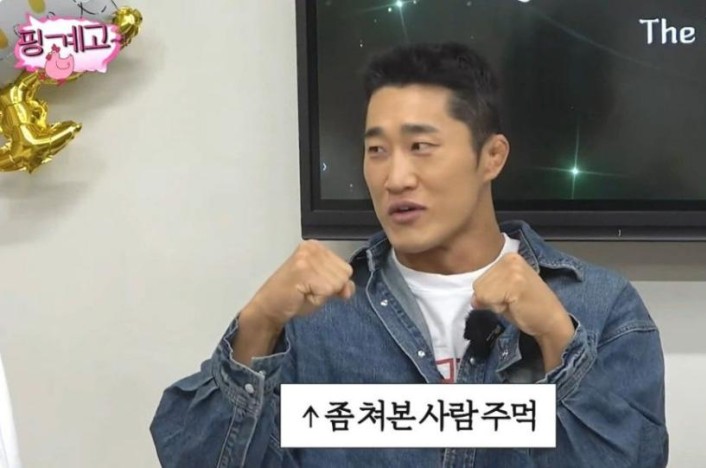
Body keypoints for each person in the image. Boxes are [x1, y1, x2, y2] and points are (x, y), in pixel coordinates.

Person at [150, 42, 668, 467]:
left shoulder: (601, 308)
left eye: (421, 147)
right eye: (377, 151)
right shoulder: (316, 319)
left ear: (492, 157)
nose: (395, 178)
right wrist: (259, 322)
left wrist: (557, 337)